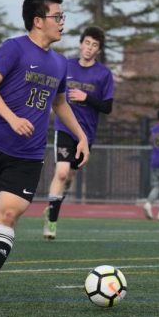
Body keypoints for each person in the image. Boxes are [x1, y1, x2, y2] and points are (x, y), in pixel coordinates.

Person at [0, 0, 90, 303]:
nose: (62, 22)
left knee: (7, 215)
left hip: (28, 155)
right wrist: (12, 117)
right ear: (37, 21)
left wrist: (81, 136)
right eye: (57, 16)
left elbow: (60, 103)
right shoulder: (13, 48)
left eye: (63, 16)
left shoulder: (60, 64)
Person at [42, 26, 114, 240]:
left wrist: (86, 98)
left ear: (98, 50)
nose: (89, 48)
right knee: (62, 172)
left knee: (70, 176)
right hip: (64, 127)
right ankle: (51, 222)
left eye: (94, 45)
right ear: (81, 43)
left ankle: (52, 208)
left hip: (86, 134)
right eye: (87, 43)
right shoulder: (66, 65)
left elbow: (107, 107)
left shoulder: (104, 74)